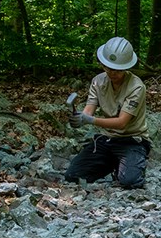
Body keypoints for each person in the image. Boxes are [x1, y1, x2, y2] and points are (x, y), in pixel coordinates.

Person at [65, 37, 153, 188]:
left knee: (130, 182)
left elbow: (122, 122)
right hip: (106, 139)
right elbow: (89, 108)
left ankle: (129, 163)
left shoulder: (136, 87)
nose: (112, 72)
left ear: (126, 67)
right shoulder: (98, 81)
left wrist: (89, 120)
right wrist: (81, 118)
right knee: (73, 176)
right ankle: (113, 163)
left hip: (131, 140)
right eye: (108, 67)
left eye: (117, 69)